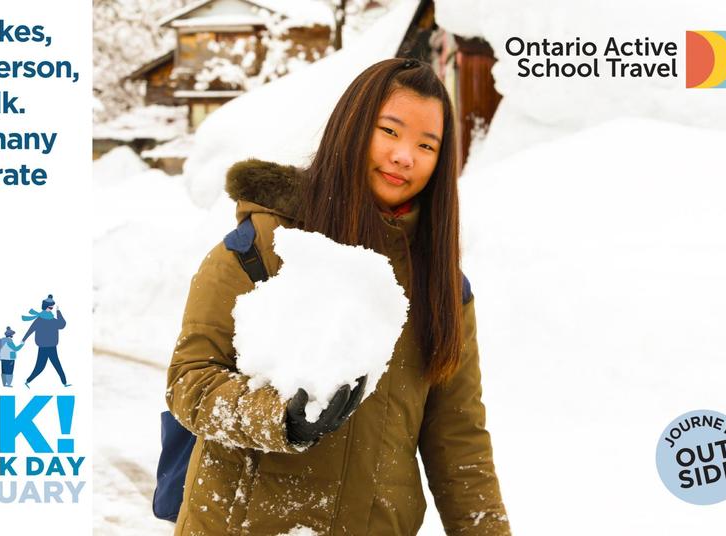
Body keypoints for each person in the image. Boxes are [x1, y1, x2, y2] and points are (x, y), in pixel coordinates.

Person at [165, 58, 510, 535]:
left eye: (426, 145)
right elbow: (190, 383)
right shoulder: (264, 246)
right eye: (389, 131)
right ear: (351, 127)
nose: (404, 156)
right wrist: (279, 416)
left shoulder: (442, 288)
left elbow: (459, 444)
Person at [22, 294, 70, 387]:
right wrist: (24, 339)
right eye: (51, 308)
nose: (51, 309)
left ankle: (64, 383)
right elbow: (31, 330)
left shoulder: (51, 319)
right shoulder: (40, 320)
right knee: (41, 367)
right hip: (44, 346)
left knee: (56, 365)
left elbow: (62, 324)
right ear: (46, 307)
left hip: (51, 346)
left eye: (52, 308)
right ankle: (28, 381)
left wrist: (58, 312)